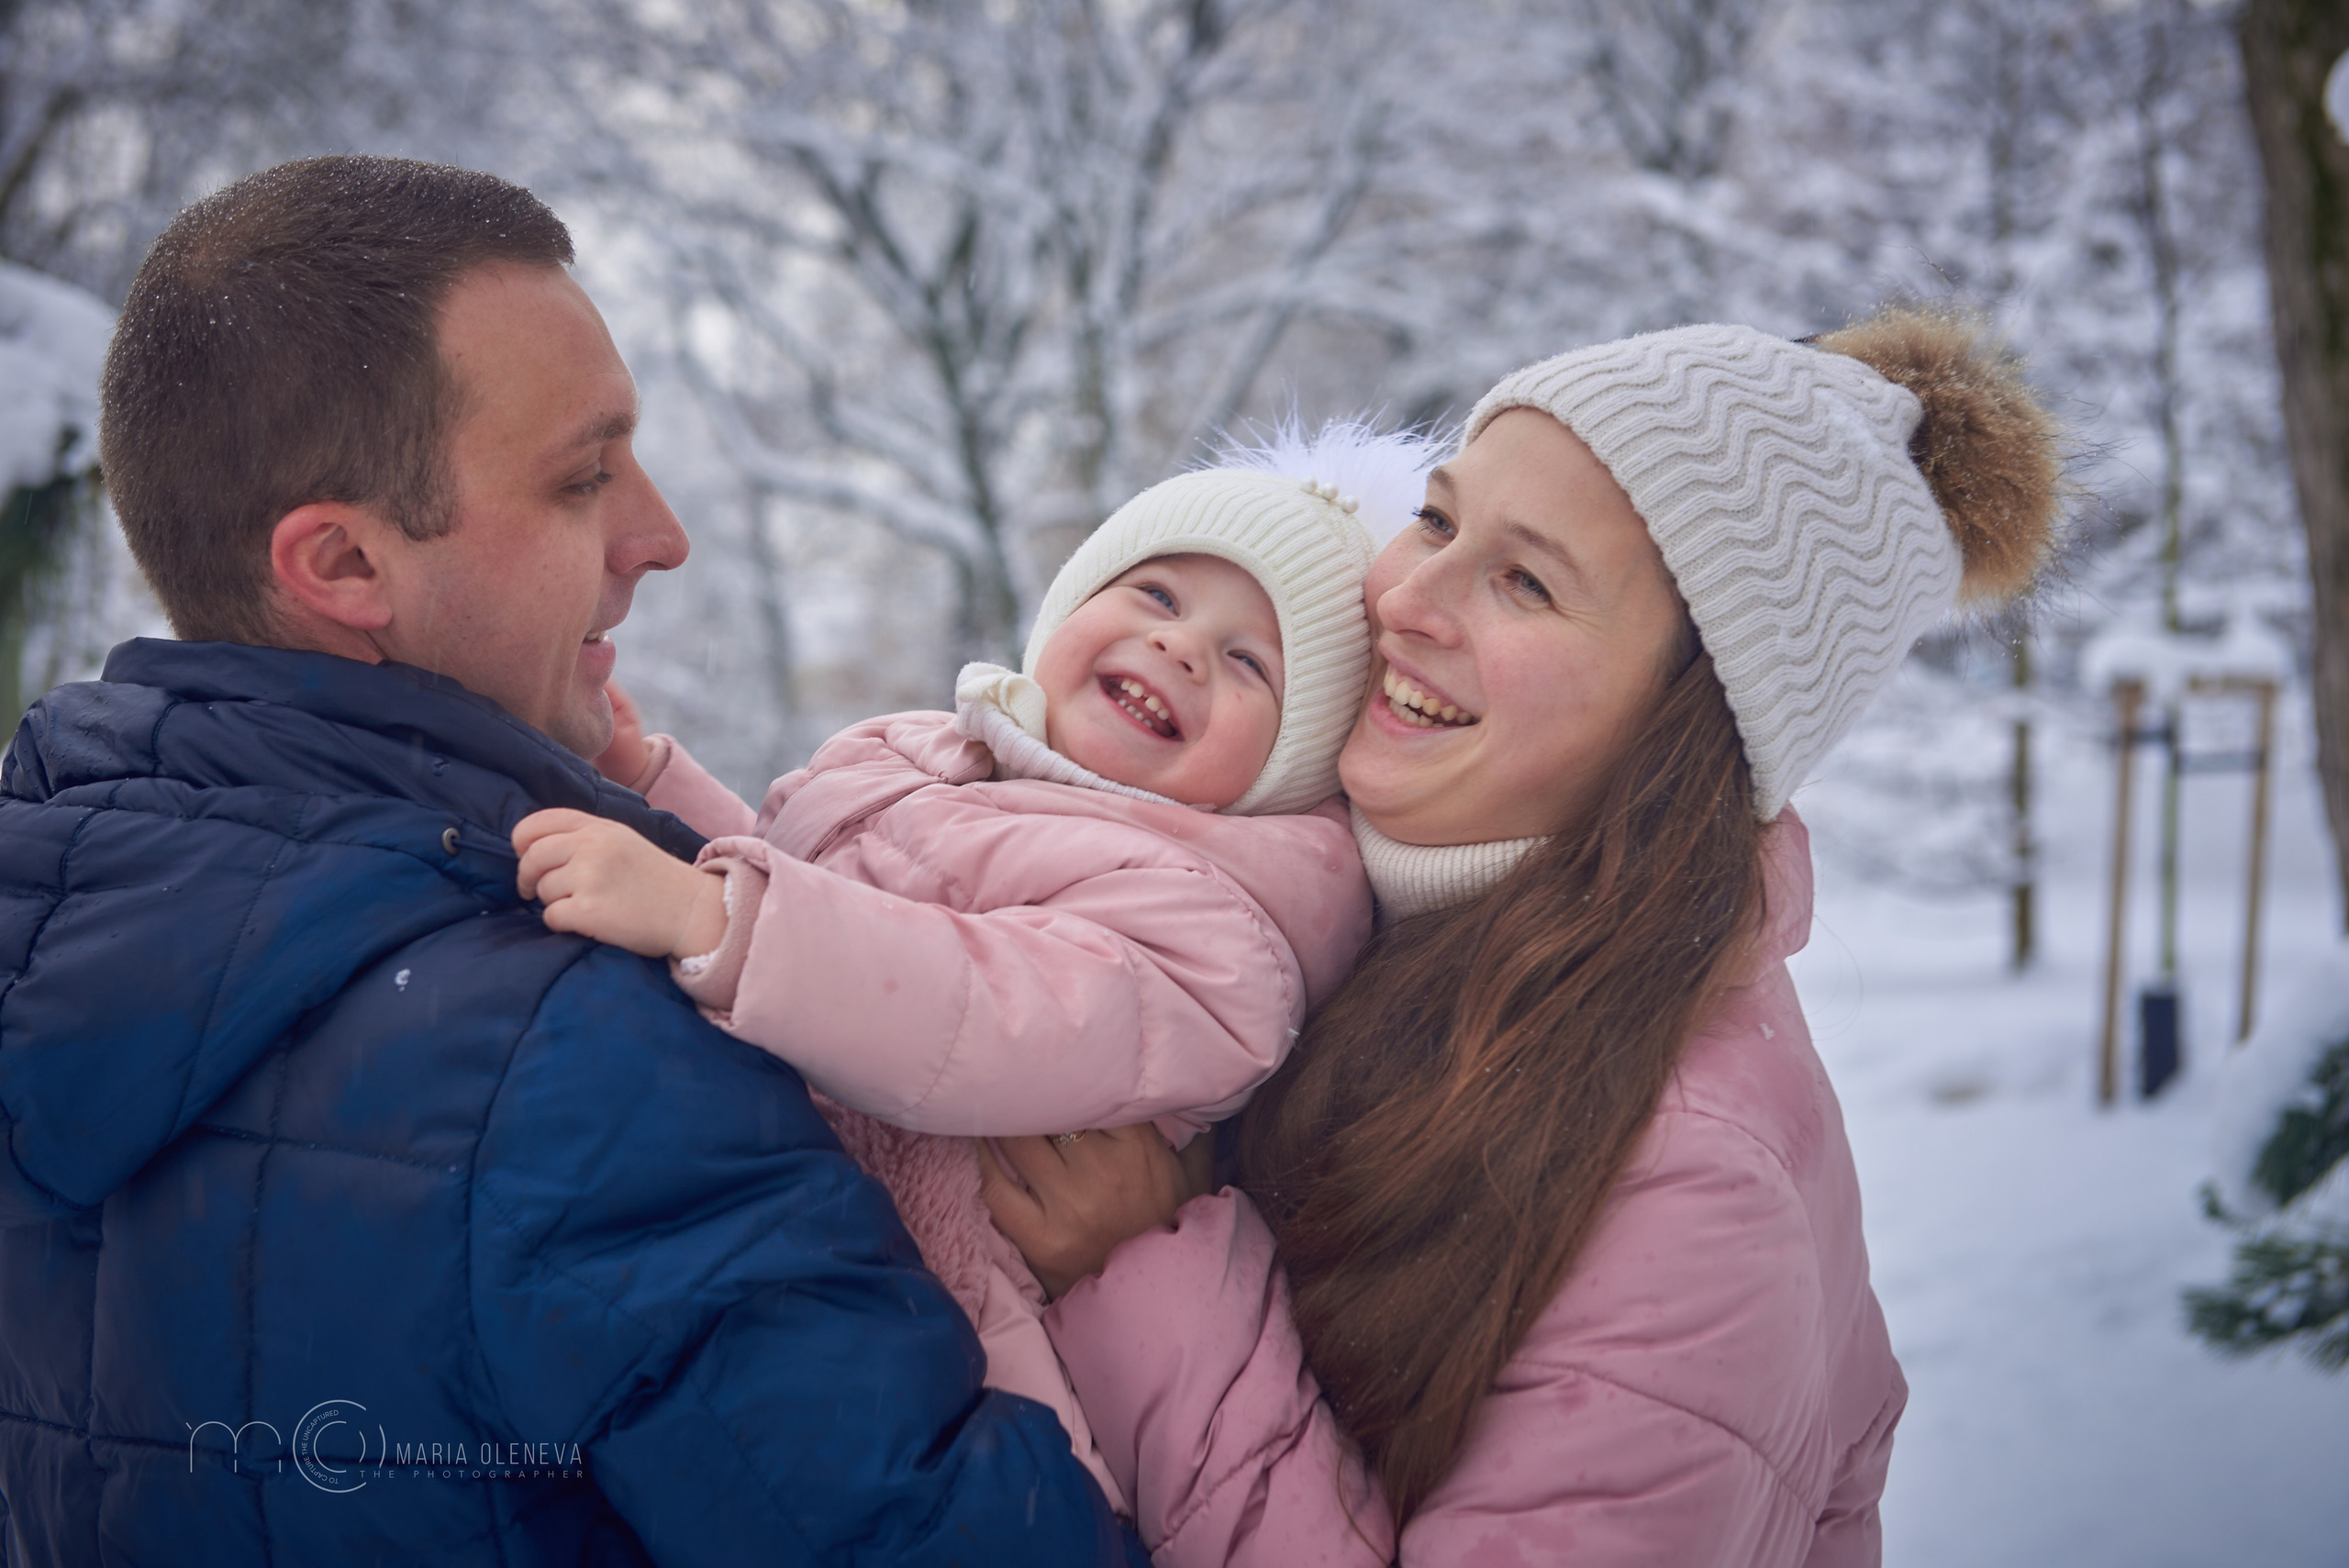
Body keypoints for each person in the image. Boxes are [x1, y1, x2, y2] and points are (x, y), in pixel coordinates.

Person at [0, 155, 1136, 1566]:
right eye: (584, 475)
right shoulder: (576, 1057)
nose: (660, 536)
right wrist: (1136, 1281)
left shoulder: (43, 941)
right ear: (344, 565)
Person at [983, 308, 2065, 1565]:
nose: (1407, 597)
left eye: (1527, 583)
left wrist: (1150, 1275)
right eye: (1438, 519)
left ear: (1686, 727)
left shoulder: (1694, 1188)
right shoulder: (1307, 909)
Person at [509, 432, 1432, 1507]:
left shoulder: (1218, 933)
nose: (1181, 646)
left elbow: (982, 1006)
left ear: (1290, 768)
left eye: (1250, 662)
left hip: (955, 1350)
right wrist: (662, 796)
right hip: (796, 1233)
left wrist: (710, 912)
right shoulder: (928, 756)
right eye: (1157, 593)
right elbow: (818, 880)